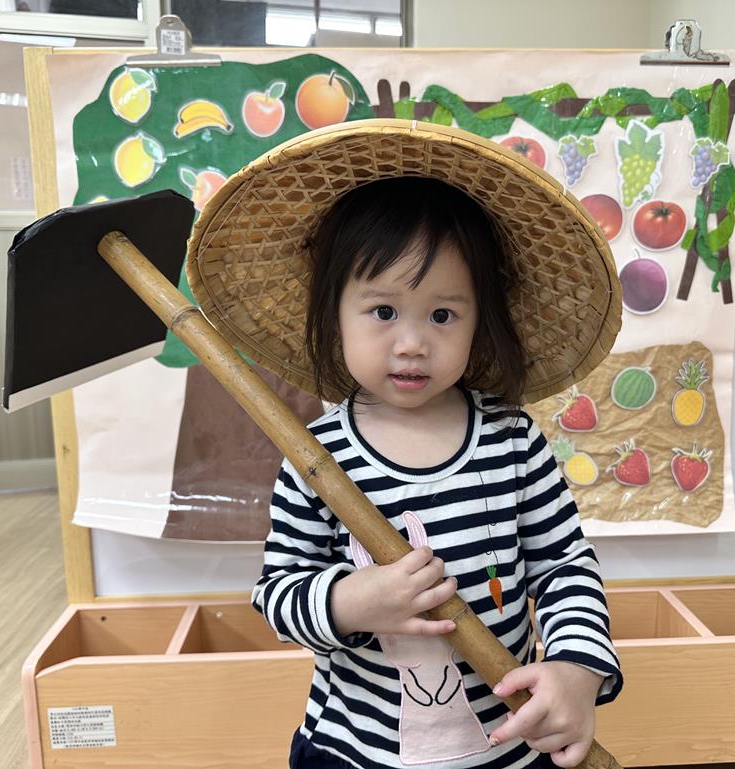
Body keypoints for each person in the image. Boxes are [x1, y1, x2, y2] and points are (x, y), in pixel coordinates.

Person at [190, 121, 623, 769]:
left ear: (480, 320)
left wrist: (577, 668)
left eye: (442, 314)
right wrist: (349, 601)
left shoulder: (511, 441)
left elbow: (565, 566)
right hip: (350, 752)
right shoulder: (315, 454)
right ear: (334, 313)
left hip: (508, 755)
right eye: (384, 311)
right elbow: (278, 597)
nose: (413, 343)